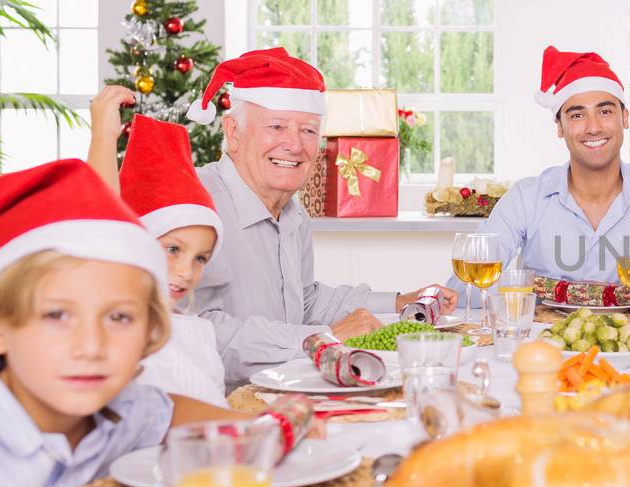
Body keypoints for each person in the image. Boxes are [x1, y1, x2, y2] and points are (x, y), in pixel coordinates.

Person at [0, 160, 252, 487]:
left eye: (119, 317)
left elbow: (164, 410)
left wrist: (264, 431)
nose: (91, 347)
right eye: (57, 315)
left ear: (149, 332)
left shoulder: (117, 412)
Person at [185, 48, 455, 384]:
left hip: (286, 391)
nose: (295, 146)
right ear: (233, 132)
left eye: (309, 131)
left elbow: (305, 298)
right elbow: (198, 329)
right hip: (218, 407)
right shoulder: (195, 202)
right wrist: (324, 337)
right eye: (277, 126)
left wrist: (401, 301)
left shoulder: (291, 211)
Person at [463, 46, 630, 301]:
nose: (593, 127)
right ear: (560, 126)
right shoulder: (526, 197)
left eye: (605, 111)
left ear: (624, 117)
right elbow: (467, 285)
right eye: (577, 115)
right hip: (543, 340)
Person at [86, 88, 227, 402]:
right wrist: (104, 137)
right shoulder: (120, 322)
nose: (186, 271)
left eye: (201, 258)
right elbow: (102, 222)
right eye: (173, 249)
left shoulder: (199, 332)